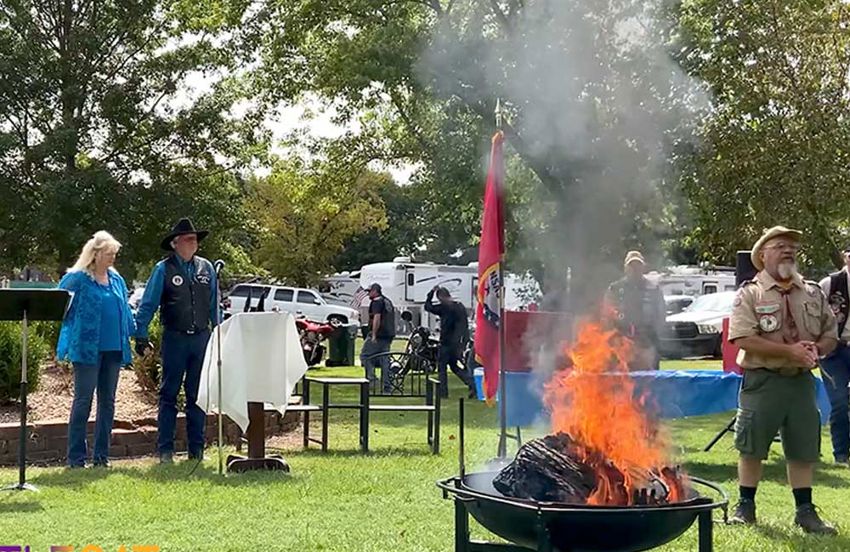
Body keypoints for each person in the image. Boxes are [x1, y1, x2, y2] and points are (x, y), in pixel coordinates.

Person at [727, 226, 837, 534]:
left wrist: (817, 349)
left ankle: (805, 512)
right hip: (763, 380)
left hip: (801, 382)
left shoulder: (813, 292)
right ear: (763, 255)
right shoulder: (750, 293)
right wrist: (789, 351)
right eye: (780, 246)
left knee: (803, 448)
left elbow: (830, 334)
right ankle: (745, 507)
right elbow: (743, 337)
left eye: (792, 247)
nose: (788, 250)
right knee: (752, 446)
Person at [134, 218, 218, 464]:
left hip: (201, 338)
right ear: (175, 243)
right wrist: (141, 335)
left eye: (196, 239)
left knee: (197, 395)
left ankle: (197, 451)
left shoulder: (207, 269)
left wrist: (221, 332)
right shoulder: (163, 269)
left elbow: (213, 305)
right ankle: (165, 451)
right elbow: (148, 304)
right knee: (169, 394)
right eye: (189, 239)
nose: (194, 243)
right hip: (175, 338)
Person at [56, 231, 135, 468]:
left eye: (114, 254)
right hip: (87, 349)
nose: (112, 258)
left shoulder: (117, 280)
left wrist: (136, 334)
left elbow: (126, 312)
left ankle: (101, 456)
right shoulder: (78, 278)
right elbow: (58, 303)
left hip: (113, 349)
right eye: (109, 253)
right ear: (96, 253)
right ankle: (76, 458)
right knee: (83, 401)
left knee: (108, 401)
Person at [603, 251, 665, 370]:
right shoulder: (615, 289)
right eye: (631, 265)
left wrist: (654, 335)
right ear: (625, 268)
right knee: (623, 380)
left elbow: (661, 315)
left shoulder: (653, 288)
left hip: (647, 344)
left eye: (638, 265)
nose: (635, 269)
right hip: (621, 344)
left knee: (650, 379)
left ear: (643, 267)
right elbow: (607, 315)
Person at [818, 244, 850, 465]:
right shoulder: (829, 284)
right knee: (838, 402)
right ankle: (841, 455)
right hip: (835, 350)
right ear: (846, 257)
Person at [424, 286, 476, 398]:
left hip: (446, 342)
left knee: (442, 367)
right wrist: (464, 341)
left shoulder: (444, 307)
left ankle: (443, 392)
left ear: (441, 297)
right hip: (457, 342)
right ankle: (472, 383)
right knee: (454, 366)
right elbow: (464, 325)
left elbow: (427, 306)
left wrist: (431, 292)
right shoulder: (459, 306)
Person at [361, 283, 395, 392]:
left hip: (379, 334)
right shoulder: (387, 301)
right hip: (388, 334)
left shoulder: (376, 302)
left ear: (375, 291)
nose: (368, 294)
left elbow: (377, 318)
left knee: (365, 356)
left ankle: (371, 380)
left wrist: (374, 335)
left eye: (369, 291)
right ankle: (387, 386)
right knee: (384, 359)